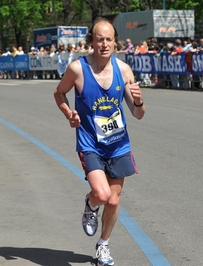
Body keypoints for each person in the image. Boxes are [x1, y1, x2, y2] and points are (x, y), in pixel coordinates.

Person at [53, 17, 145, 266]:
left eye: (108, 39)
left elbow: (137, 114)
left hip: (118, 144)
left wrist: (138, 101)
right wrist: (68, 112)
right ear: (91, 42)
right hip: (90, 143)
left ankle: (103, 245)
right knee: (102, 195)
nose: (104, 44)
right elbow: (59, 92)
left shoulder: (124, 70)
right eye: (99, 39)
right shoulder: (77, 69)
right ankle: (90, 203)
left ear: (115, 42)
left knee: (114, 200)